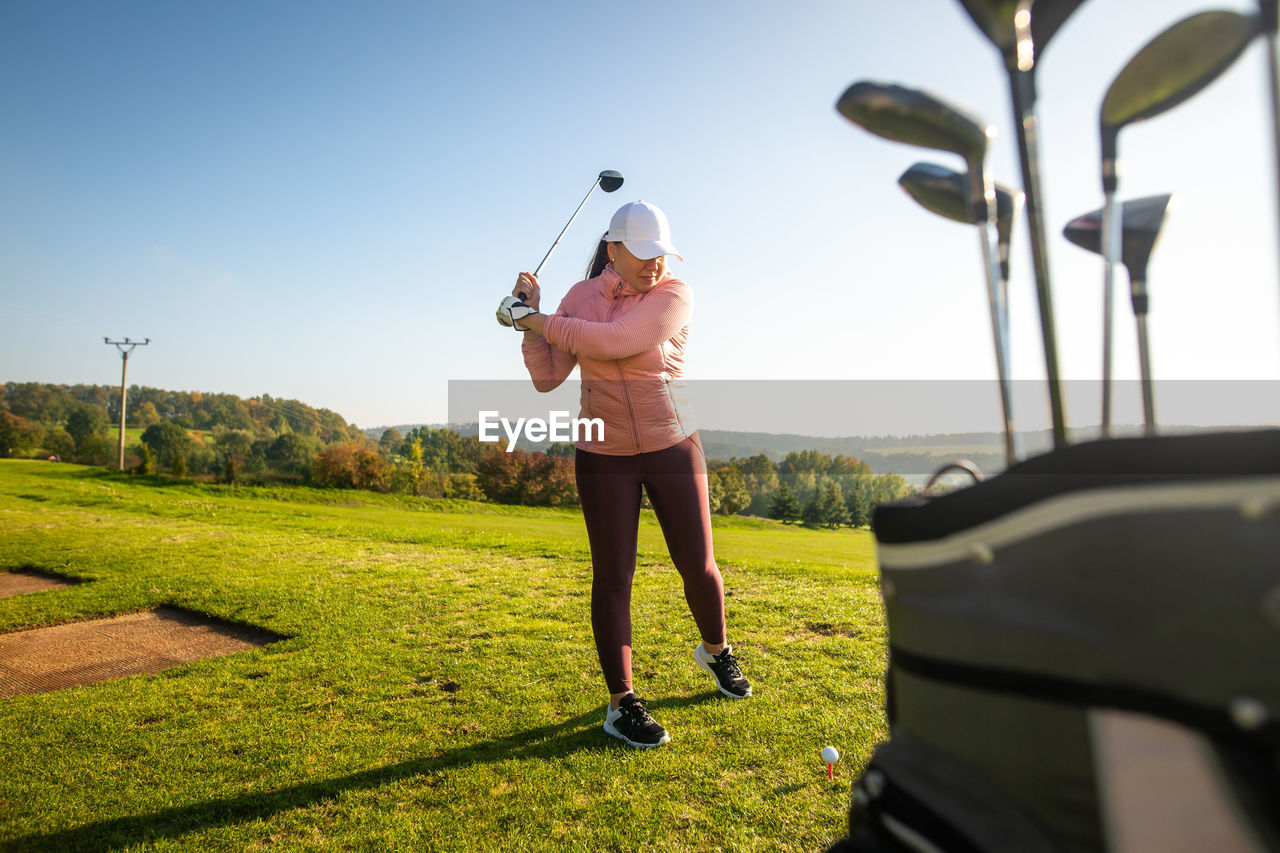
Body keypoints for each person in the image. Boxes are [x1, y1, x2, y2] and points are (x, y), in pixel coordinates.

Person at [508, 200, 751, 749]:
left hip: (671, 442)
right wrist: (530, 322)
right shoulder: (577, 300)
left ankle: (715, 652)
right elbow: (548, 377)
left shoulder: (674, 295)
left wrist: (536, 321)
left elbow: (617, 342)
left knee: (699, 565)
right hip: (603, 450)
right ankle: (622, 705)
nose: (653, 265)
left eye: (660, 254)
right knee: (613, 576)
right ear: (613, 250)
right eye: (642, 254)